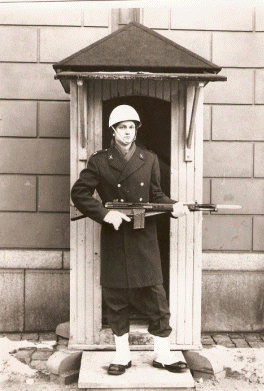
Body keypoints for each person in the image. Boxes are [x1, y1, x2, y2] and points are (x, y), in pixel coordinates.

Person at [71, 105, 190, 376]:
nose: (127, 132)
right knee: (116, 299)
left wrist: (174, 206)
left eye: (131, 127)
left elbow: (156, 196)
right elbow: (79, 193)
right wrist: (105, 213)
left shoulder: (149, 159)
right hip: (116, 237)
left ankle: (163, 355)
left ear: (137, 130)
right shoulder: (99, 161)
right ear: (113, 131)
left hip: (143, 237)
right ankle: (122, 357)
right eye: (122, 127)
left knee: (157, 299)